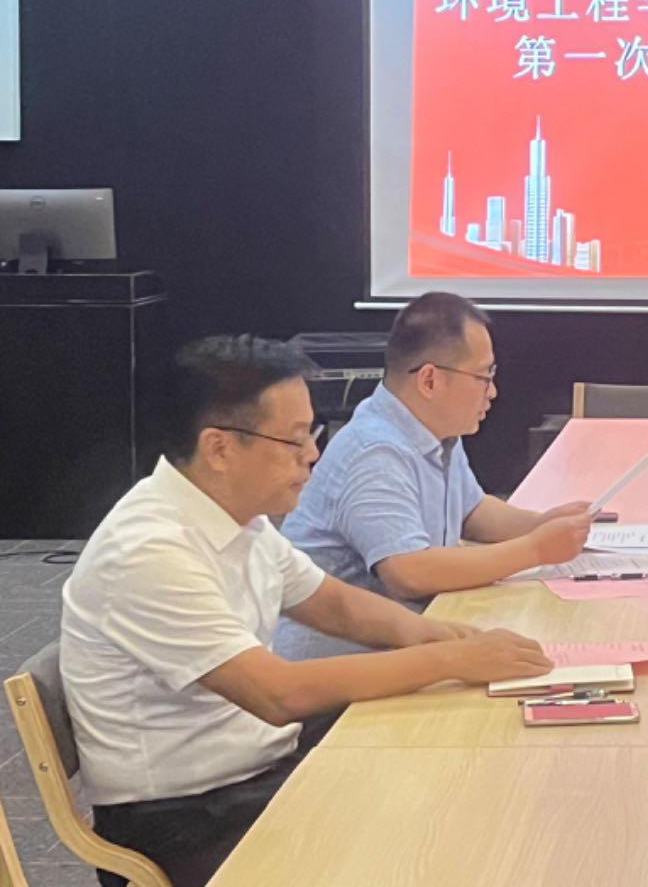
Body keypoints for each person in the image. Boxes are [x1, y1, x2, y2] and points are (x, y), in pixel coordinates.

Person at [60, 336, 553, 887]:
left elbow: (335, 604)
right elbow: (279, 694)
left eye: (311, 434)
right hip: (185, 818)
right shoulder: (148, 550)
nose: (312, 454)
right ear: (219, 448)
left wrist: (441, 636)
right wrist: (451, 661)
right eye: (294, 440)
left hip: (253, 771)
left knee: (443, 782)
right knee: (423, 838)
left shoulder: (237, 515)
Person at [276, 292, 592, 660]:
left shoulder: (436, 431)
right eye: (483, 376)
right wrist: (536, 548)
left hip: (403, 647)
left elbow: (472, 512)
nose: (492, 392)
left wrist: (542, 524)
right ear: (429, 380)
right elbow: (410, 573)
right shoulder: (374, 451)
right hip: (338, 674)